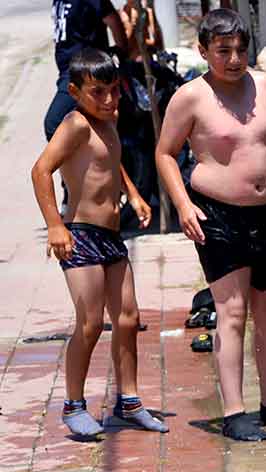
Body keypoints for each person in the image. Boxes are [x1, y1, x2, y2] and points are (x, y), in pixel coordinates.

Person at [155, 9, 266, 441]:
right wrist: (183, 206)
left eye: (240, 50)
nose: (233, 59)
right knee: (232, 312)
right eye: (223, 51)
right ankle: (233, 412)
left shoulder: (264, 85)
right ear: (204, 50)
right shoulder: (191, 96)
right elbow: (165, 153)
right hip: (219, 214)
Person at [31, 48, 168, 437]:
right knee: (90, 323)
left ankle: (130, 401)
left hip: (111, 236)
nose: (108, 100)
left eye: (113, 90)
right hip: (80, 235)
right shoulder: (74, 123)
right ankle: (74, 404)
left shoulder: (109, 120)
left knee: (128, 318)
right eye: (97, 92)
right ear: (75, 92)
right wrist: (55, 226)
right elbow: (40, 170)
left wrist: (134, 193)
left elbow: (109, 157)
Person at [47, 0, 128, 142]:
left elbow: (113, 20)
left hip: (86, 71)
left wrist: (120, 52)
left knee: (54, 122)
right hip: (67, 71)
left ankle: (89, 158)